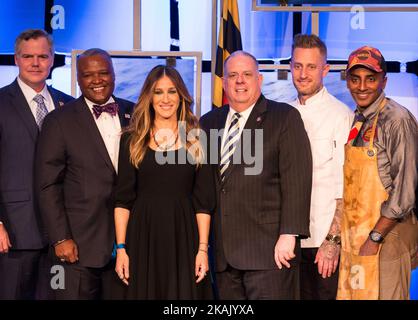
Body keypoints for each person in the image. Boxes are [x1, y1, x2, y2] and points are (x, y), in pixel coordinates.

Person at [200, 50, 312, 299]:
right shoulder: (208, 122)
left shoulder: (284, 117)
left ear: (259, 80)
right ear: (224, 82)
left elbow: (297, 179)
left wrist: (289, 234)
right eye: (233, 75)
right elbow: (204, 185)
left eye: (247, 74)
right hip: (223, 256)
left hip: (269, 253)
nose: (240, 81)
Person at [35, 48, 134, 299]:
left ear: (113, 74)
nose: (97, 80)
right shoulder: (59, 120)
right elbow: (48, 185)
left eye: (103, 73)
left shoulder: (136, 114)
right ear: (78, 79)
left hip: (129, 243)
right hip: (78, 245)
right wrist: (60, 239)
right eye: (89, 75)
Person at [113, 65, 215, 299]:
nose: (165, 99)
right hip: (143, 237)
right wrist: (121, 249)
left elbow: (203, 202)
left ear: (181, 96)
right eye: (158, 92)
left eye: (172, 91)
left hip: (184, 237)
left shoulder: (198, 138)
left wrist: (202, 249)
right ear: (149, 97)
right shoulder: (132, 138)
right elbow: (122, 200)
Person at [337, 46, 418, 300]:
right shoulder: (357, 119)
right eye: (355, 79)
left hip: (387, 236)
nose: (362, 87)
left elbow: (405, 193)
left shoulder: (397, 120)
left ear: (384, 80)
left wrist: (374, 237)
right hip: (358, 236)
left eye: (370, 79)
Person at [0, 29, 73, 300]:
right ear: (16, 59)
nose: (35, 63)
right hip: (15, 232)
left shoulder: (69, 105)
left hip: (63, 235)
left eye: (42, 56)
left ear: (52, 59)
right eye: (27, 56)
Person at [289, 34, 353, 300]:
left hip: (322, 244)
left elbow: (346, 186)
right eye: (297, 66)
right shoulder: (282, 113)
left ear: (325, 70)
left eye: (311, 67)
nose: (303, 74)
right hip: (288, 242)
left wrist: (333, 242)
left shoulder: (341, 116)